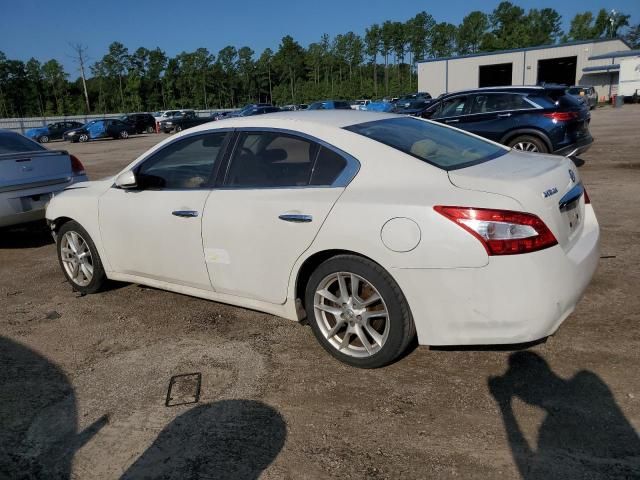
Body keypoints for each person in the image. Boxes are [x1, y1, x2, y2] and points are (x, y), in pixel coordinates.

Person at [489, 351, 640, 479]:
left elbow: (530, 472)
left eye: (519, 387)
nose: (520, 394)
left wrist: (505, 406)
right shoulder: (588, 386)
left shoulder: (551, 429)